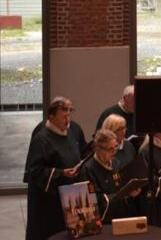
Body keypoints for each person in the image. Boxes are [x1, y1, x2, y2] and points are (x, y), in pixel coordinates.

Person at [25, 98, 82, 240]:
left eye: (69, 115)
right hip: (48, 200)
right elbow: (35, 170)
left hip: (69, 194)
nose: (68, 120)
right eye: (64, 117)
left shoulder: (70, 133)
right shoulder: (42, 139)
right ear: (52, 117)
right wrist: (61, 173)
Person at [80, 129, 142, 223]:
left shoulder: (116, 163)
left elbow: (122, 187)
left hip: (120, 217)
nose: (114, 152)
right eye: (110, 149)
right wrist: (121, 195)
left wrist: (130, 193)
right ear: (98, 148)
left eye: (116, 147)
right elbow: (94, 201)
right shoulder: (88, 170)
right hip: (104, 222)